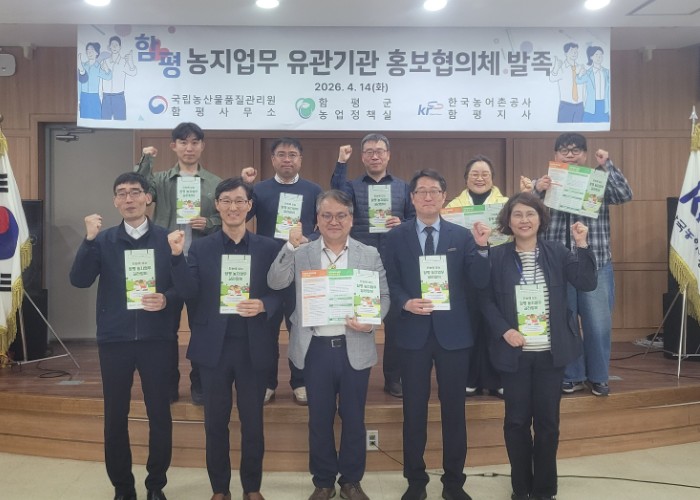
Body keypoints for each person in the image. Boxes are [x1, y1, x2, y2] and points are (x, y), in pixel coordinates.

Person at [268, 190, 390, 500]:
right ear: (317, 220)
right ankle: (323, 481)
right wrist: (289, 245)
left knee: (354, 418)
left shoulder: (368, 253)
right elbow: (275, 282)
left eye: (340, 215)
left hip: (354, 346)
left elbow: (384, 296)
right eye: (327, 215)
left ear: (351, 219)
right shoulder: (302, 252)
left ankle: (351, 481)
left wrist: (371, 321)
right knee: (319, 419)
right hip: (315, 349)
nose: (334, 221)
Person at [168, 177, 281, 500]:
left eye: (240, 201)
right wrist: (176, 257)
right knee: (215, 423)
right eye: (227, 201)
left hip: (253, 347)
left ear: (249, 206)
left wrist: (264, 304)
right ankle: (219, 488)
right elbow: (189, 292)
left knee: (253, 423)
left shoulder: (268, 248)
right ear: (217, 206)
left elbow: (283, 294)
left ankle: (252, 487)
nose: (233, 207)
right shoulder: (200, 248)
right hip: (212, 348)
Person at [479, 192, 597, 500]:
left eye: (530, 214)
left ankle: (545, 490)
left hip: (550, 353)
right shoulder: (497, 256)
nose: (524, 220)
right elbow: (485, 300)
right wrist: (504, 330)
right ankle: (521, 488)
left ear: (540, 219)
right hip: (514, 353)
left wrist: (582, 244)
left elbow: (586, 282)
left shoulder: (557, 251)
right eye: (517, 214)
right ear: (508, 221)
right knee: (516, 422)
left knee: (547, 424)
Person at [383, 169, 491, 500]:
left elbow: (479, 281)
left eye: (434, 191)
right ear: (412, 198)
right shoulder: (396, 237)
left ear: (444, 197)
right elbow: (389, 281)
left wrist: (483, 248)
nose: (428, 197)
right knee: (413, 412)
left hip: (454, 335)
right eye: (422, 191)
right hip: (412, 333)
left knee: (454, 412)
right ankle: (415, 482)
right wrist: (405, 302)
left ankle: (454, 483)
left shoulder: (463, 236)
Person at [69, 172, 177, 500]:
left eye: (135, 192)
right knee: (115, 416)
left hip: (157, 340)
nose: (128, 199)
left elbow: (185, 286)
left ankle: (156, 485)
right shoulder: (102, 241)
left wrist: (167, 299)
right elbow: (79, 280)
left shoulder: (166, 239)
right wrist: (88, 240)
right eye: (121, 193)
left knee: (160, 414)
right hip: (114, 340)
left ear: (148, 198)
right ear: (115, 201)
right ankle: (123, 487)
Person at [532, 133, 632, 396]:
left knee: (598, 324)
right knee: (565, 323)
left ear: (585, 155)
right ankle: (572, 375)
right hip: (558, 265)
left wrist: (607, 165)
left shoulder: (597, 180)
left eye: (576, 150)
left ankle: (599, 376)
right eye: (564, 150)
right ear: (555, 155)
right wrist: (537, 189)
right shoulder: (546, 182)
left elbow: (624, 194)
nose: (570, 154)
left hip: (595, 262)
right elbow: (523, 212)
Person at [136, 121, 222, 405]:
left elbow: (227, 215)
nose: (189, 148)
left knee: (201, 327)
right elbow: (139, 188)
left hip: (200, 265)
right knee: (165, 328)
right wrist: (146, 160)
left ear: (202, 146)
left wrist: (209, 222)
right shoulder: (160, 180)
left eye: (195, 142)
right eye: (183, 142)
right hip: (166, 262)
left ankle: (200, 384)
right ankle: (168, 385)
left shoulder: (214, 182)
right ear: (174, 146)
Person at [332, 133, 415, 398]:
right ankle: (349, 377)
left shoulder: (403, 187)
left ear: (388, 155)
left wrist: (402, 224)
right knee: (355, 319)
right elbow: (336, 197)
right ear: (362, 156)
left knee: (395, 324)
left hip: (395, 262)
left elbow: (415, 219)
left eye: (380, 151)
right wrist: (341, 163)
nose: (375, 156)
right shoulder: (352, 186)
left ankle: (393, 378)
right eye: (369, 152)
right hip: (361, 263)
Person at [241, 137, 323, 405]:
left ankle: (300, 381)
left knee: (300, 328)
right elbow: (241, 216)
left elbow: (322, 225)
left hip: (302, 269)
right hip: (268, 270)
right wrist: (246, 186)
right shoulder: (259, 189)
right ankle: (267, 383)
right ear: (273, 159)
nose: (287, 159)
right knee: (266, 331)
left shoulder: (313, 190)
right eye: (281, 154)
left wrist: (309, 238)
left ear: (300, 159)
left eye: (292, 155)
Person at [446, 154, 508, 398]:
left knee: (496, 324)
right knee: (469, 324)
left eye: (485, 174)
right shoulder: (452, 207)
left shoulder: (505, 204)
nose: (480, 178)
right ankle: (470, 377)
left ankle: (497, 378)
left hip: (498, 269)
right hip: (467, 272)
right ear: (466, 178)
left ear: (493, 178)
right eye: (475, 174)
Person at [101, 35, 137, 120]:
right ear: (109, 47)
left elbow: (133, 73)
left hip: (119, 96)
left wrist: (131, 63)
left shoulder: (124, 62)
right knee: (104, 122)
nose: (114, 47)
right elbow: (101, 77)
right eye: (112, 45)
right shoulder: (104, 62)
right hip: (106, 96)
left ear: (120, 47)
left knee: (121, 121)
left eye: (116, 45)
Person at [549, 42, 585, 123]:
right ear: (565, 53)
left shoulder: (580, 67)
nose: (574, 53)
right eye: (571, 51)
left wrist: (582, 74)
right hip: (566, 105)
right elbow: (552, 78)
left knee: (580, 129)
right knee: (563, 129)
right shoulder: (562, 67)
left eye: (576, 51)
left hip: (580, 105)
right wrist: (556, 68)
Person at [78, 42, 112, 119]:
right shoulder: (82, 66)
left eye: (92, 50)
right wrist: (79, 100)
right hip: (83, 96)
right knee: (84, 118)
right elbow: (79, 83)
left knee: (96, 117)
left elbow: (108, 77)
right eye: (87, 50)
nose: (89, 52)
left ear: (97, 53)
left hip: (94, 96)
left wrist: (106, 68)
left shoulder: (98, 67)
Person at [580, 46, 610, 123]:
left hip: (604, 105)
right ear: (591, 57)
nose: (599, 57)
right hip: (591, 105)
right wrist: (580, 74)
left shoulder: (607, 72)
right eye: (596, 55)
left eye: (601, 55)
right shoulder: (587, 73)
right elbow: (579, 82)